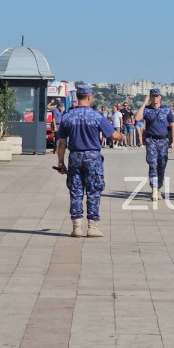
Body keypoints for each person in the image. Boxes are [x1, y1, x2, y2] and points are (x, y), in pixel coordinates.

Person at [55, 85, 124, 237]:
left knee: (76, 191)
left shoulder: (67, 116)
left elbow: (61, 143)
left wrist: (60, 162)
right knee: (94, 191)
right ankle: (92, 226)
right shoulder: (96, 116)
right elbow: (112, 135)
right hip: (93, 157)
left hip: (75, 157)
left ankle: (76, 227)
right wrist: (121, 136)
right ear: (89, 97)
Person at [135, 88, 174, 201]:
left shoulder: (166, 110)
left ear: (160, 97)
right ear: (150, 97)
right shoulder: (147, 110)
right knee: (153, 164)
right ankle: (154, 188)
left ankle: (159, 187)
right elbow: (137, 118)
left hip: (163, 140)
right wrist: (144, 102)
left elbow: (173, 125)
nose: (155, 98)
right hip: (151, 140)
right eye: (153, 96)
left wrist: (173, 142)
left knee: (161, 165)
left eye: (157, 96)